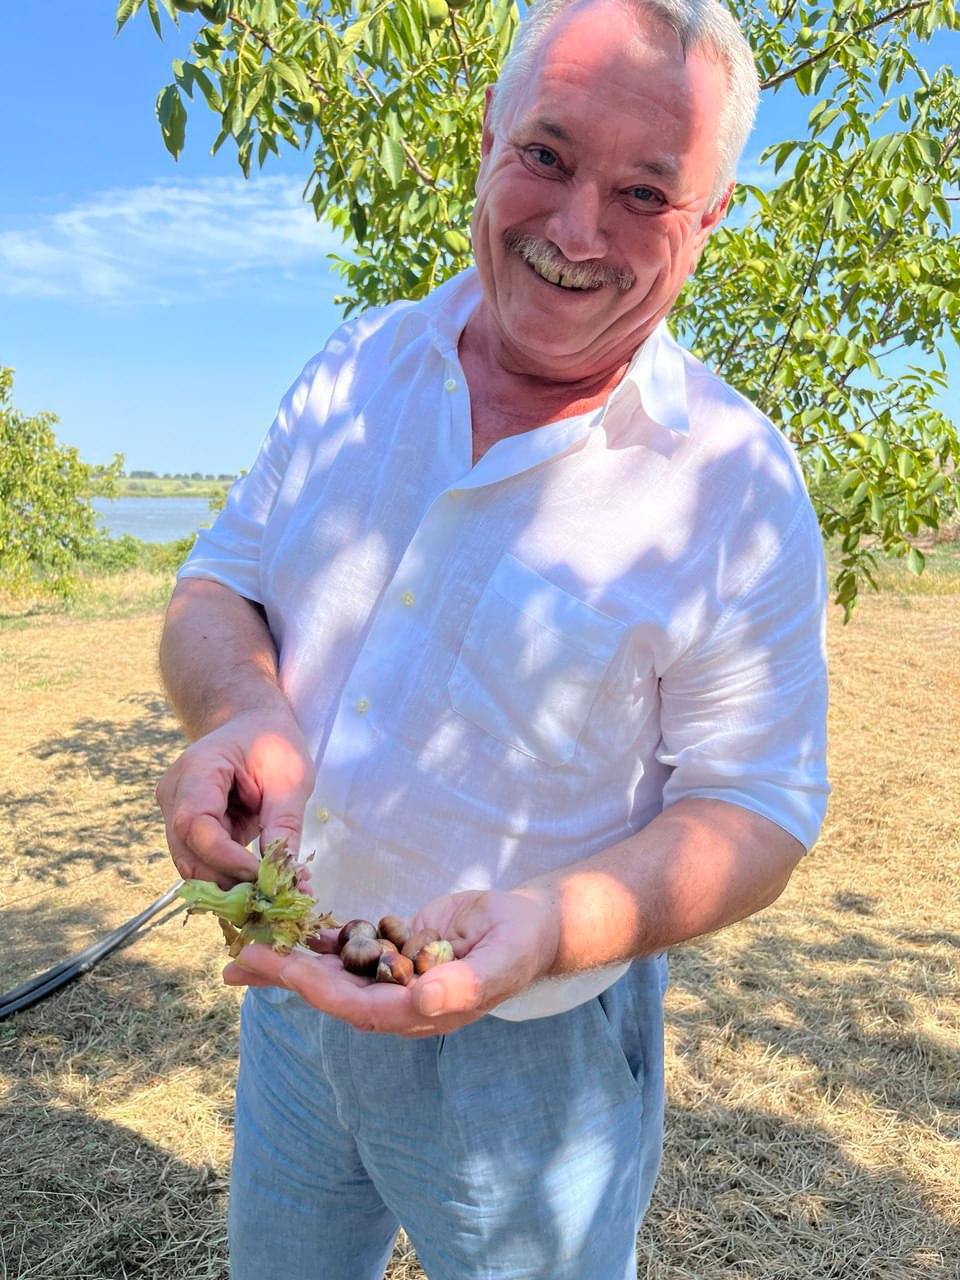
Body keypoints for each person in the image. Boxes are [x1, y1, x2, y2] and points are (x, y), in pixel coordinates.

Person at [155, 0, 830, 1276]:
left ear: (709, 220)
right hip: (295, 1004)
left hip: (539, 1059)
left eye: (645, 191)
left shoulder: (737, 485)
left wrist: (562, 920)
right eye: (550, 156)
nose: (578, 230)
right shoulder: (357, 370)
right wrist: (240, 709)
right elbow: (217, 583)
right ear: (488, 135)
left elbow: (759, 803)